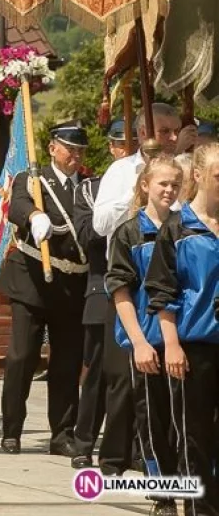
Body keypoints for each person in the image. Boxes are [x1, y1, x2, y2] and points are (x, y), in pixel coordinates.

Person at [0, 121, 90, 456]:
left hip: (72, 284)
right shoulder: (33, 179)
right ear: (53, 148)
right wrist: (34, 215)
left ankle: (63, 433)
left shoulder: (87, 186)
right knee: (22, 358)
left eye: (80, 150)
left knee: (67, 362)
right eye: (70, 149)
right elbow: (17, 205)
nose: (75, 156)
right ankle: (12, 429)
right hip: (33, 281)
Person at [145, 143, 219, 516]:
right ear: (200, 176)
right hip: (195, 346)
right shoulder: (178, 228)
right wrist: (170, 345)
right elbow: (161, 292)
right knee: (195, 436)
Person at [106, 156, 182, 516]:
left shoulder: (187, 228)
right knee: (152, 419)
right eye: (162, 183)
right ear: (145, 185)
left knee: (186, 420)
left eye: (175, 184)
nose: (169, 190)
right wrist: (137, 341)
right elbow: (121, 291)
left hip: (184, 340)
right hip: (147, 340)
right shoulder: (129, 232)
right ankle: (163, 495)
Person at [70, 119, 138, 472]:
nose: (125, 150)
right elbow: (88, 234)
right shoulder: (91, 189)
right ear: (111, 148)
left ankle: (134, 445)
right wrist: (132, 201)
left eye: (133, 142)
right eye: (119, 144)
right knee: (98, 372)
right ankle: (83, 443)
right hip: (103, 285)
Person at [93, 103, 182, 240]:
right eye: (165, 131)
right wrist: (135, 190)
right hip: (128, 258)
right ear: (143, 133)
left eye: (177, 131)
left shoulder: (185, 170)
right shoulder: (121, 170)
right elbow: (100, 226)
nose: (174, 138)